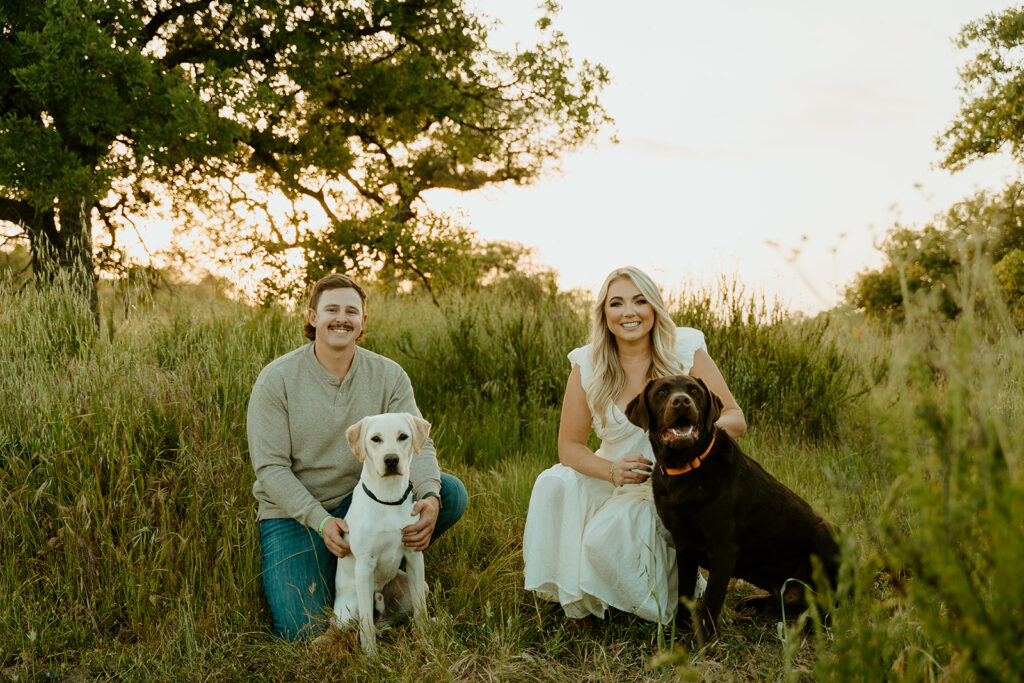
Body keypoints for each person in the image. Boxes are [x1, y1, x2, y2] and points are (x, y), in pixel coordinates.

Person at [247, 273, 468, 640]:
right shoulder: (276, 380)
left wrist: (428, 497)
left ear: (362, 322)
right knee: (300, 632)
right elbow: (270, 469)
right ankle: (350, 583)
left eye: (352, 311)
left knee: (450, 493)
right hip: (296, 515)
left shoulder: (388, 375)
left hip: (365, 500)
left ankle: (378, 569)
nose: (341, 318)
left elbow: (419, 444)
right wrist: (320, 521)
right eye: (331, 309)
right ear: (312, 317)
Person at [522, 266, 746, 624]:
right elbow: (570, 447)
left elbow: (735, 418)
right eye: (617, 303)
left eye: (640, 301)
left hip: (665, 484)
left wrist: (692, 434)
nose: (629, 312)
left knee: (605, 538)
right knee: (552, 483)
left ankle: (655, 596)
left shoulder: (684, 349)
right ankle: (576, 593)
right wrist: (611, 471)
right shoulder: (588, 363)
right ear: (605, 315)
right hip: (609, 471)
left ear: (654, 308)